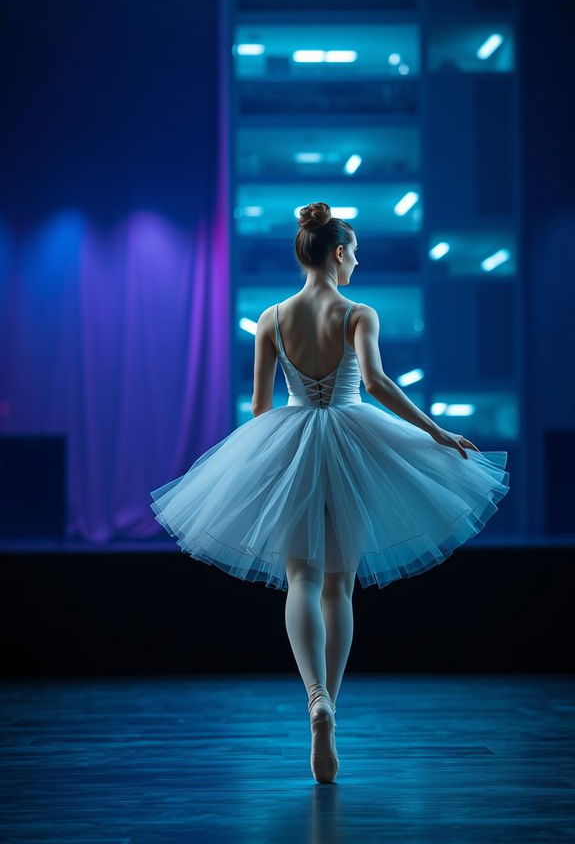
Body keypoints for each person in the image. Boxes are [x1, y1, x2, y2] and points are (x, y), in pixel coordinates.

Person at [149, 200, 510, 784]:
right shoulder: (357, 313)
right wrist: (437, 432)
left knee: (300, 579)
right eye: (356, 254)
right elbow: (374, 384)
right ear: (338, 253)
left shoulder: (271, 317)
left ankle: (312, 696)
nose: (358, 264)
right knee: (339, 584)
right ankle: (331, 710)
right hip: (351, 437)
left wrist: (267, 461)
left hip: (288, 440)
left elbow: (261, 406)